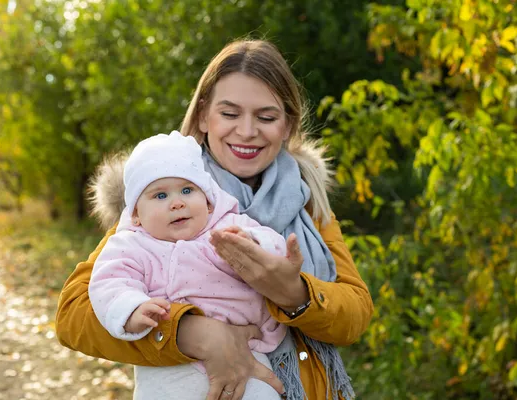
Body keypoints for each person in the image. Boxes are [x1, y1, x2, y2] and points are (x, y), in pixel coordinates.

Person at [56, 39, 374, 400]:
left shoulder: (307, 200)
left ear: (287, 125)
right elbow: (73, 315)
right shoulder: (164, 197)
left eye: (267, 117)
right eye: (230, 113)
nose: (247, 131)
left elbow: (355, 313)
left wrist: (294, 294)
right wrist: (192, 333)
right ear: (204, 116)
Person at [89, 131, 288, 399]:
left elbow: (275, 247)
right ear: (136, 214)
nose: (177, 202)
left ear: (207, 201)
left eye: (187, 190)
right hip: (170, 362)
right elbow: (109, 281)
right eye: (160, 196)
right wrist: (132, 307)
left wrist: (252, 245)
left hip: (244, 350)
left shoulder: (229, 228)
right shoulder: (132, 245)